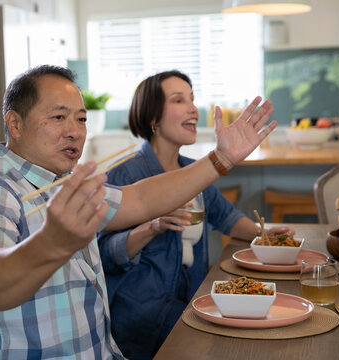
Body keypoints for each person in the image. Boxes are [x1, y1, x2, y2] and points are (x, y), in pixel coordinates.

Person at [0, 65, 276, 359]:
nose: (74, 130)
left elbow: (142, 200)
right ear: (14, 124)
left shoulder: (61, 182)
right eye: (58, 117)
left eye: (81, 118)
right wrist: (52, 244)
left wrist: (222, 159)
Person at [97, 70, 293, 359]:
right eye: (179, 100)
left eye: (192, 99)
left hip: (190, 306)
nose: (192, 108)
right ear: (153, 118)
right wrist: (150, 227)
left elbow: (225, 216)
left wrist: (263, 234)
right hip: (141, 321)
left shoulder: (193, 171)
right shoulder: (124, 173)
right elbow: (104, 253)